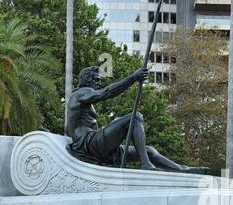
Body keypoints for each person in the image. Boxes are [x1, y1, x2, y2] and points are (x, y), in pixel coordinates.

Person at [65, 65, 207, 172]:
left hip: (96, 147)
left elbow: (68, 130)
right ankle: (145, 164)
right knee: (134, 117)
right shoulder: (81, 93)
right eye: (96, 80)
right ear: (87, 80)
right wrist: (133, 78)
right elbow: (106, 93)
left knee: (149, 150)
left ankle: (182, 170)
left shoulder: (80, 102)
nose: (99, 83)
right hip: (91, 146)